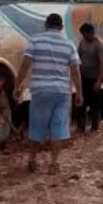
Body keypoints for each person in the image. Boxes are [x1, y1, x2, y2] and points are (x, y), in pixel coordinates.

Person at [13, 13, 83, 173]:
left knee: (37, 126)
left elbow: (25, 65)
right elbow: (75, 71)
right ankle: (54, 164)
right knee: (58, 128)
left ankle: (32, 160)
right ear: (61, 27)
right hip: (61, 92)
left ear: (46, 25)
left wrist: (17, 86)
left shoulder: (35, 40)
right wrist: (79, 92)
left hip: (40, 90)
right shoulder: (69, 44)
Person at [76, 23, 103, 134]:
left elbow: (102, 63)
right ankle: (81, 127)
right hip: (84, 77)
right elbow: (78, 58)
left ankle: (94, 127)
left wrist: (99, 81)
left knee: (94, 103)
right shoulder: (82, 43)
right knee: (81, 103)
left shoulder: (99, 44)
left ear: (90, 33)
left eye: (84, 34)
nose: (83, 36)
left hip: (94, 78)